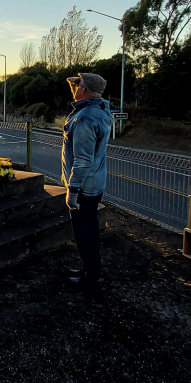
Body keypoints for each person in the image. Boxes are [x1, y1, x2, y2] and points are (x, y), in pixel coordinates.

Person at [60, 73, 112, 291]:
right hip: (95, 183)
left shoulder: (84, 118)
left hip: (83, 188)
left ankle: (92, 278)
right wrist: (79, 87)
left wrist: (72, 190)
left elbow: (82, 159)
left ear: (86, 90)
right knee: (89, 231)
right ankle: (90, 269)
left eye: (79, 85)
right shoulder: (100, 110)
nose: (75, 87)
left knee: (84, 234)